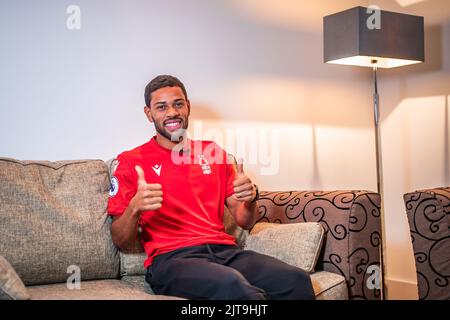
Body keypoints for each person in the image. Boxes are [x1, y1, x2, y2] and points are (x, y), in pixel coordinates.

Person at [107, 75, 315, 300]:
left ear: (188, 107)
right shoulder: (130, 161)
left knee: (295, 279)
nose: (172, 113)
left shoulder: (213, 152)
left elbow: (245, 220)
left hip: (225, 252)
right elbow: (120, 240)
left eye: (178, 104)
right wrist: (135, 208)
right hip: (173, 260)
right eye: (161, 107)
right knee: (233, 285)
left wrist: (251, 197)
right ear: (149, 113)